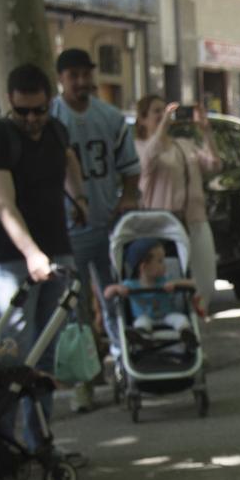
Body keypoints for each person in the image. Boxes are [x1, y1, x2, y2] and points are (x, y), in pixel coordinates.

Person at [0, 63, 87, 448]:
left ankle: (40, 440)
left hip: (58, 250)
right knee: (13, 354)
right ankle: (4, 442)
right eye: (23, 111)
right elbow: (4, 204)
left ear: (49, 103)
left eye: (38, 110)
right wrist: (32, 255)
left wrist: (81, 197)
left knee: (47, 354)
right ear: (10, 102)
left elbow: (69, 160)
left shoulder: (56, 130)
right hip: (14, 259)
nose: (31, 119)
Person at [51, 48, 140, 407]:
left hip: (108, 224)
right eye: (73, 76)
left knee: (115, 296)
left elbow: (131, 169)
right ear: (61, 79)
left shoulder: (110, 116)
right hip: (68, 231)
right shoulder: (53, 119)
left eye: (86, 74)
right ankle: (84, 379)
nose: (82, 82)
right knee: (76, 309)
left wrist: (128, 198)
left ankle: (123, 366)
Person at [134, 96, 221, 314]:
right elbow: (147, 162)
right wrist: (162, 126)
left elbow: (214, 165)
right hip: (163, 224)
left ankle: (199, 316)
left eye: (164, 110)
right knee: (170, 277)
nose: (163, 114)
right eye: (156, 111)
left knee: (205, 278)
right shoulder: (140, 146)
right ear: (142, 119)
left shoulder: (183, 144)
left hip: (195, 218)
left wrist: (206, 131)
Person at [104, 238, 203, 332]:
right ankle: (141, 335)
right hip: (144, 317)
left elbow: (193, 283)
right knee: (141, 323)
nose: (164, 265)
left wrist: (176, 283)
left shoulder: (164, 281)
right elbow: (107, 294)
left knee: (181, 320)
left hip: (167, 315)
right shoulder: (130, 285)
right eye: (160, 261)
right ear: (144, 267)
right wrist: (117, 288)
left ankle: (185, 333)